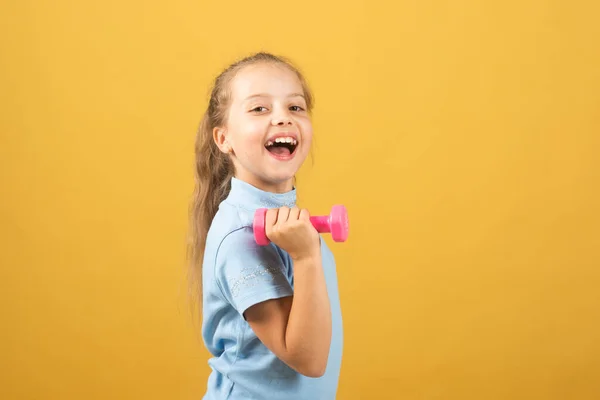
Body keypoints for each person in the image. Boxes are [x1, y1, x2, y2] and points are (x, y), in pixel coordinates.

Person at [186, 52, 343, 399]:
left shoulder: (284, 223)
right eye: (259, 109)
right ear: (223, 138)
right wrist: (305, 258)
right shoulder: (240, 238)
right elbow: (309, 359)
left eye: (295, 108)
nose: (282, 119)